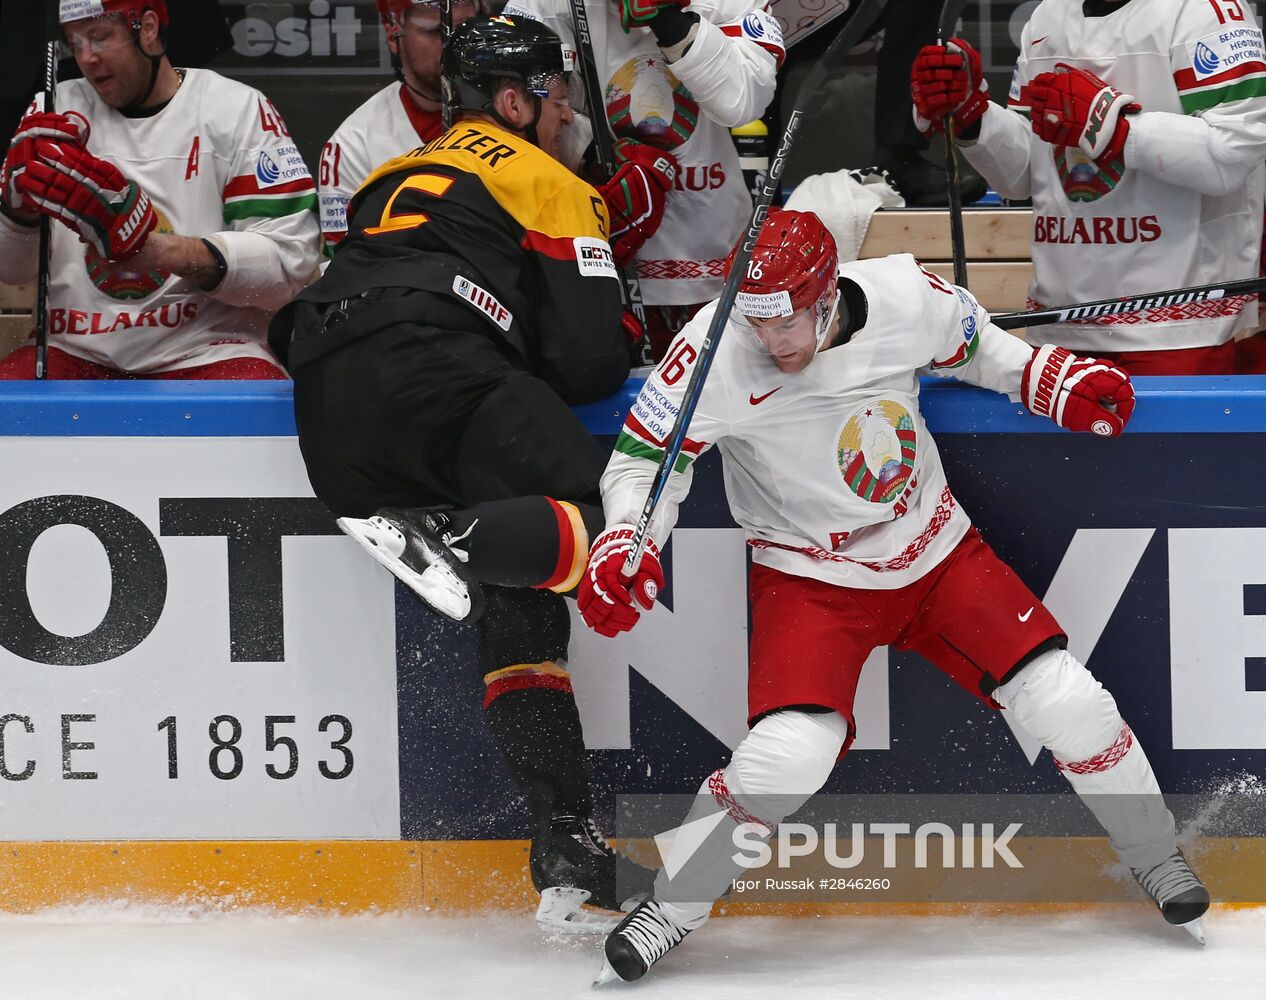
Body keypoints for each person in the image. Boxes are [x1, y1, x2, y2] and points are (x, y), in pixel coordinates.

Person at [578, 209, 1210, 982]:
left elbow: (980, 344)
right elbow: (646, 462)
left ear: (824, 297)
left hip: (938, 552)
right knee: (786, 758)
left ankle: (1154, 856)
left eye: (788, 323)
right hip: (810, 579)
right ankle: (673, 907)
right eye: (758, 323)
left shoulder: (904, 295)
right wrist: (626, 537)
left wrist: (1047, 377)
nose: (773, 344)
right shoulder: (712, 350)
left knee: (1068, 702)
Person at [269, 14, 648, 927]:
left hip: (327, 410)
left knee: (524, 590)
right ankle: (462, 535)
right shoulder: (545, 179)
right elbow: (592, 362)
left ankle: (566, 833)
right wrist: (615, 294)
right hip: (437, 372)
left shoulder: (389, 176)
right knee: (617, 518)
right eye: (557, 97)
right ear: (516, 101)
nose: (567, 116)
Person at [910, 0, 1266, 375]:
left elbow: (1238, 152)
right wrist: (973, 116)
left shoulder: (1204, 11)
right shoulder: (1048, 15)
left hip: (1180, 330)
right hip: (1062, 322)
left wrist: (1115, 128)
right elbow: (1026, 175)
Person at [0, 0, 320, 379]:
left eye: (100, 37)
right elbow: (14, 273)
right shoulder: (52, 111)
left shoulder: (235, 108)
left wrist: (159, 250)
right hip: (74, 347)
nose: (87, 58)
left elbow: (291, 264)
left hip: (205, 350)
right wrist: (18, 215)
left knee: (260, 405)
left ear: (148, 28)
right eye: (75, 42)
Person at [504, 0, 784, 359]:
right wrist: (592, 163)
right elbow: (520, 114)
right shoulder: (546, 4)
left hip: (718, 262)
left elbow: (742, 101)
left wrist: (671, 21)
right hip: (599, 268)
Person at [317, 0, 483, 253]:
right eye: (437, 31)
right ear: (393, 34)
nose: (457, 44)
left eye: (468, 28)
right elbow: (344, 269)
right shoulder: (354, 145)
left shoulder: (526, 114)